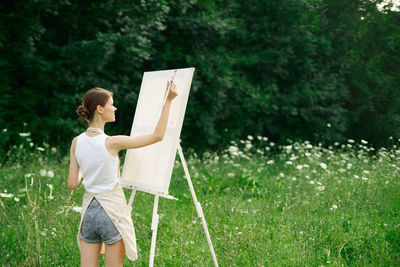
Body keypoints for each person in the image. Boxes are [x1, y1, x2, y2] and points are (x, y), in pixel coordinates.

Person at [68, 81, 178, 267]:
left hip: (88, 213)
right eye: (112, 104)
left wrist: (86, 170)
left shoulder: (76, 142)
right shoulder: (111, 142)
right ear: (100, 109)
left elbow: (72, 183)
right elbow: (157, 136)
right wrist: (168, 101)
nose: (115, 107)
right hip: (111, 212)